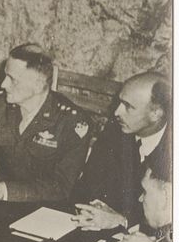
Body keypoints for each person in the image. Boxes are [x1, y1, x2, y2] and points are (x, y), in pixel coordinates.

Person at [0, 44, 91, 204]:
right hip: (2, 202)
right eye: (5, 76)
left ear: (38, 85)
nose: (3, 84)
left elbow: (61, 186)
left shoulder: (71, 121)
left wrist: (3, 190)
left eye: (13, 80)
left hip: (47, 209)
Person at [72, 71, 171, 231]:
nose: (117, 112)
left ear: (156, 113)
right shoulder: (115, 132)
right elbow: (86, 186)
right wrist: (93, 207)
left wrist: (123, 220)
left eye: (128, 107)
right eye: (119, 102)